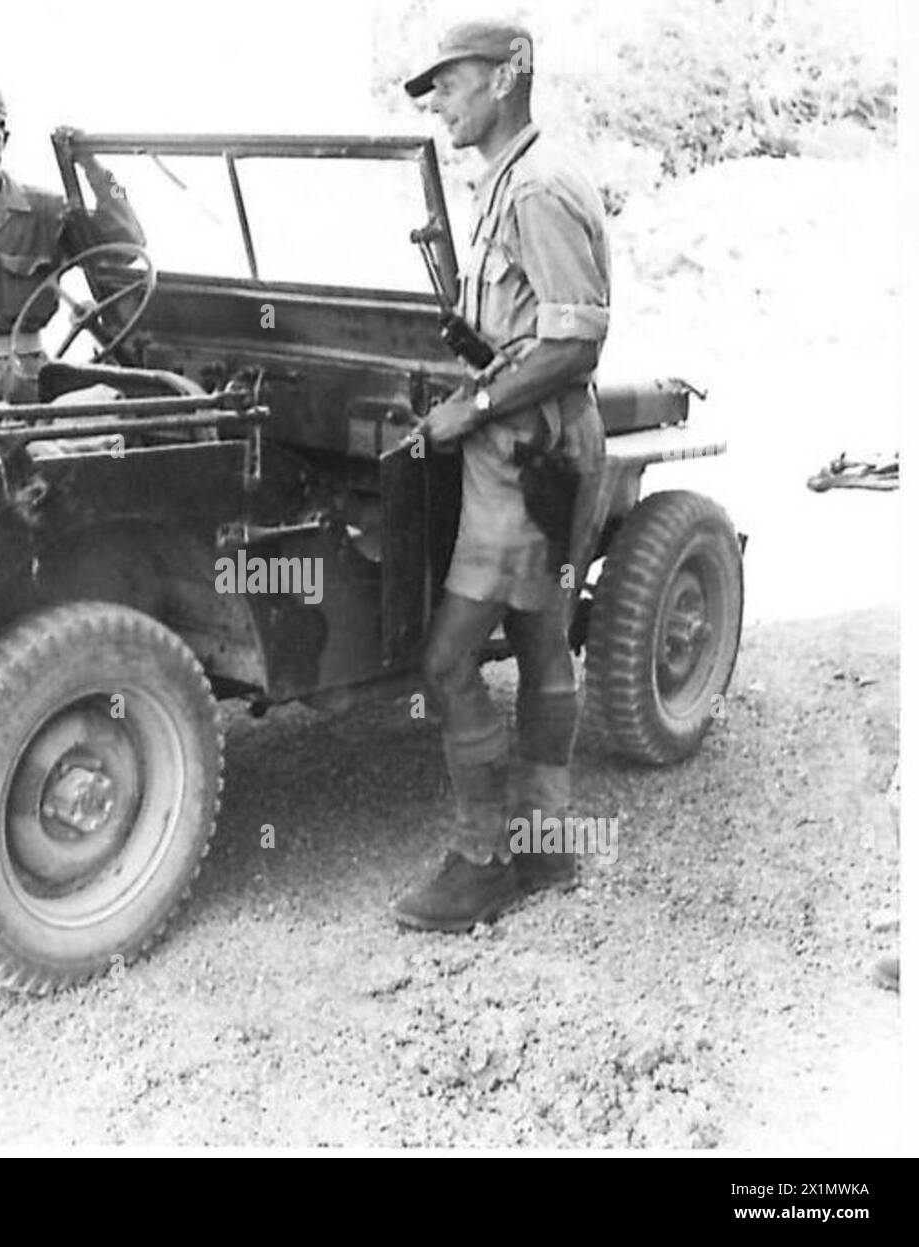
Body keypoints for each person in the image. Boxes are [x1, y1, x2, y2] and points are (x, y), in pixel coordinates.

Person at [392, 21, 611, 932]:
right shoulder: (503, 184)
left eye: (452, 82)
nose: (439, 100)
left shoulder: (540, 189)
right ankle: (548, 840)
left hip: (531, 460)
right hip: (526, 450)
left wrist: (470, 410)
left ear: (509, 76)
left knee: (447, 659)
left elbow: (575, 338)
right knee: (540, 642)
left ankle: (488, 859)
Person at [0, 85, 147, 401]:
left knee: (42, 448)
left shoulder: (46, 211)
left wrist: (94, 167)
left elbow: (127, 239)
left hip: (28, 373)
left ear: (6, 140)